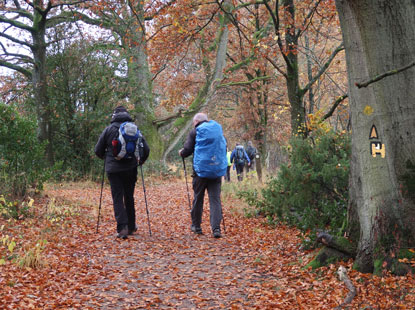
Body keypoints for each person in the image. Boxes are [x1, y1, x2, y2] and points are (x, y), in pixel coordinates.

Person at [95, 106, 150, 239]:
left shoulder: (109, 130)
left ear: (114, 115)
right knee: (129, 196)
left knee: (118, 197)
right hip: (131, 168)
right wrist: (140, 161)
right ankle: (131, 226)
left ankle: (122, 228)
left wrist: (106, 158)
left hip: (113, 170)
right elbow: (146, 149)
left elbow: (98, 150)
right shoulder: (134, 129)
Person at [179, 112, 227, 238]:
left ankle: (196, 226)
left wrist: (182, 153)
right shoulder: (218, 130)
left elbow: (188, 150)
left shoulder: (195, 132)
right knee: (215, 200)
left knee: (198, 198)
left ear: (196, 121)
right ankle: (216, 229)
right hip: (216, 171)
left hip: (200, 172)